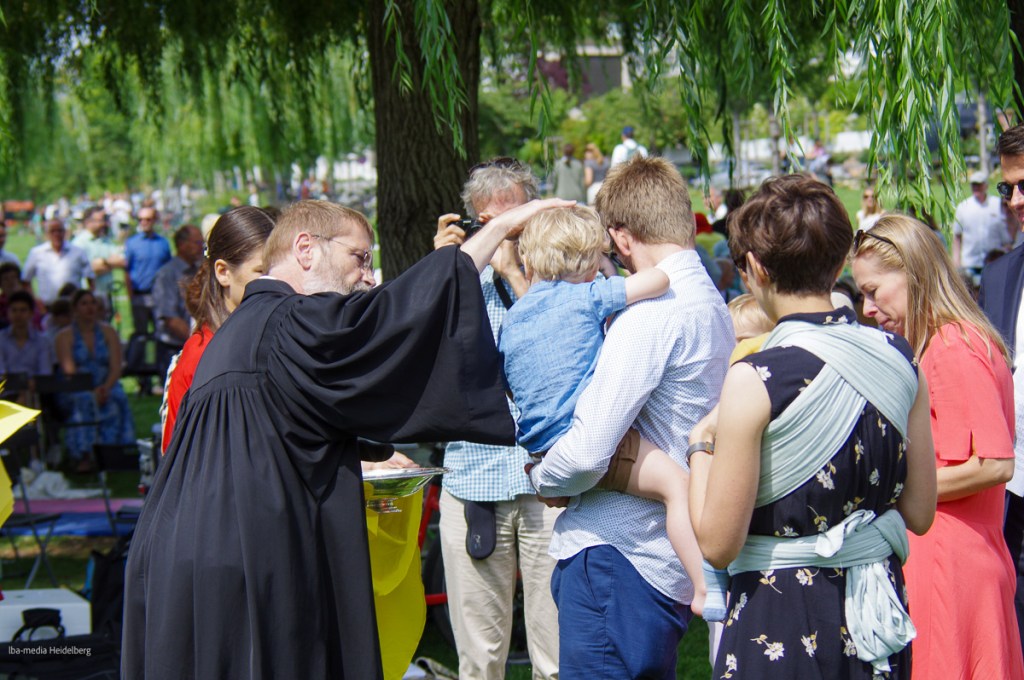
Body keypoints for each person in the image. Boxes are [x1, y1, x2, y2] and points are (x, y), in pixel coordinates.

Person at [122, 196, 571, 679]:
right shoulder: (285, 320)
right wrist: (497, 230)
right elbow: (388, 318)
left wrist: (366, 455)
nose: (368, 277)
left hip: (184, 558)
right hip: (242, 564)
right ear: (305, 249)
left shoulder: (243, 332)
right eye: (359, 258)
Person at [689, 175, 936, 679]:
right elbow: (920, 511)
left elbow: (717, 543)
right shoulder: (899, 358)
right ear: (841, 259)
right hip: (874, 617)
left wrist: (699, 447)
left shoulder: (756, 377)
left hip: (779, 618)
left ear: (756, 267)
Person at [528, 156, 734, 678]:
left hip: (618, 556)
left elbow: (587, 452)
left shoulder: (650, 316)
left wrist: (542, 477)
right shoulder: (709, 300)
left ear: (620, 237)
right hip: (659, 559)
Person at [500, 205, 721, 620]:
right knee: (677, 485)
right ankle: (705, 585)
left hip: (539, 443)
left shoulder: (513, 319)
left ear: (529, 260)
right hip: (578, 436)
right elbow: (660, 280)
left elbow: (507, 381)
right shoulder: (586, 297)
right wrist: (610, 269)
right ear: (590, 260)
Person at [855, 214, 1024, 679]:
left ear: (912, 273)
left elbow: (994, 464)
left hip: (951, 563)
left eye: (874, 291)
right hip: (951, 557)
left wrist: (890, 490)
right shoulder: (945, 342)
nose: (867, 308)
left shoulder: (953, 346)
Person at [432, 158, 560, 680]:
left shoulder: (562, 271)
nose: (506, 234)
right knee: (480, 659)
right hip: (475, 480)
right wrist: (442, 269)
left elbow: (558, 344)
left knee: (557, 657)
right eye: (493, 224)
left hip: (549, 484)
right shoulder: (456, 277)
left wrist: (512, 272)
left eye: (516, 221)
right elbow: (428, 359)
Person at [161, 208, 274, 452]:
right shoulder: (200, 357)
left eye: (278, 271)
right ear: (223, 272)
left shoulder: (277, 336)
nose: (276, 282)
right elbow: (182, 459)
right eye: (262, 272)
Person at [980, 121, 1024, 659]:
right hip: (1012, 501)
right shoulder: (999, 277)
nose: (1015, 201)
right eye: (1007, 188)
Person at [53, 289, 134, 472]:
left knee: (117, 398)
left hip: (107, 384)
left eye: (93, 303)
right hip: (76, 387)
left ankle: (114, 452)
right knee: (84, 401)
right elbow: (69, 370)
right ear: (75, 309)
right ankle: (84, 455)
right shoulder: (64, 336)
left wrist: (105, 387)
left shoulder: (108, 332)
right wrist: (92, 391)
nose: (90, 308)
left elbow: (116, 366)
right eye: (84, 304)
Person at [152, 224, 203, 386]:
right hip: (174, 348)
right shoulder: (167, 274)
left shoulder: (202, 270)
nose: (201, 247)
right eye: (197, 242)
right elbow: (170, 318)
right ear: (182, 245)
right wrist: (197, 342)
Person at [953, 170, 1013, 277]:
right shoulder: (963, 207)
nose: (976, 188)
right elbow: (957, 236)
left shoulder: (997, 204)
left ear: (986, 185)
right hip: (970, 262)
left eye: (979, 184)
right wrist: (956, 260)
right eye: (974, 185)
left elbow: (1007, 227)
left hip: (994, 260)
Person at [124, 205, 172, 336]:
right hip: (139, 295)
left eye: (148, 219)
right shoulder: (132, 243)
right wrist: (130, 296)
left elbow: (169, 270)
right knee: (141, 335)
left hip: (159, 295)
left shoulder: (163, 243)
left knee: (162, 333)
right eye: (141, 219)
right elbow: (127, 271)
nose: (144, 222)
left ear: (154, 220)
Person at [22, 220, 94, 305]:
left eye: (60, 231)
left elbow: (90, 279)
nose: (56, 234)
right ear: (46, 234)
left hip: (73, 306)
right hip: (46, 306)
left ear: (65, 232)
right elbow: (25, 280)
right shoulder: (37, 253)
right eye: (52, 231)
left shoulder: (78, 252)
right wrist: (36, 302)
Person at [71, 207, 126, 317]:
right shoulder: (79, 243)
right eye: (100, 220)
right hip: (88, 296)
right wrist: (110, 264)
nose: (104, 223)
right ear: (88, 222)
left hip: (107, 293)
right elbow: (90, 270)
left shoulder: (106, 240)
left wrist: (103, 262)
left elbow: (122, 261)